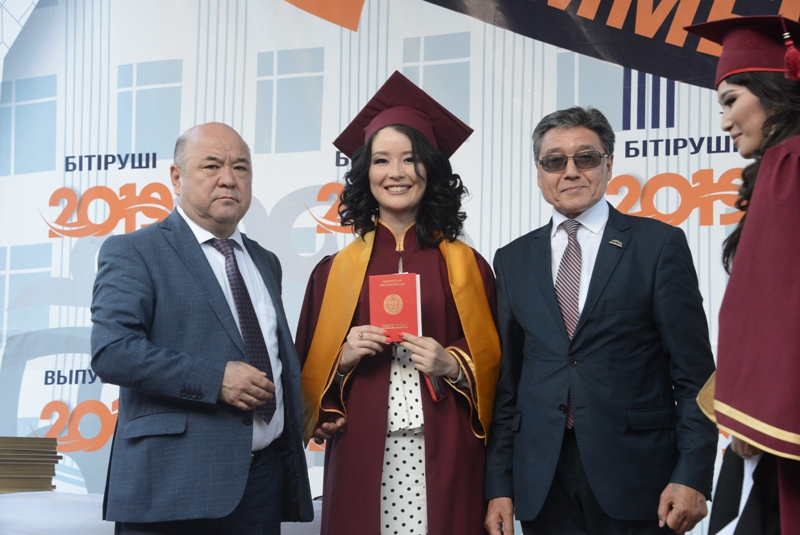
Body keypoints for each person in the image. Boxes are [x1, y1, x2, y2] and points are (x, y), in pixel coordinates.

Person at [484, 106, 718, 535]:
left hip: (639, 477)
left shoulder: (658, 245)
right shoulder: (512, 259)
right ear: (539, 173)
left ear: (608, 164)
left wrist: (693, 474)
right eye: (555, 161)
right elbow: (508, 385)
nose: (570, 171)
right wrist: (499, 485)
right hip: (541, 480)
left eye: (586, 158)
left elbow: (695, 377)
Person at [296, 71, 501, 535]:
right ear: (365, 174)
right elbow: (305, 381)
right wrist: (342, 358)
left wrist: (453, 364)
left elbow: (500, 368)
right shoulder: (334, 272)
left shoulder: (469, 267)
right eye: (381, 160)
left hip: (450, 450)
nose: (396, 172)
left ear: (431, 169)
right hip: (362, 449)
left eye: (411, 159)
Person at [91, 122, 313, 534]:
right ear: (177, 178)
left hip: (261, 484)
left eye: (240, 167)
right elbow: (113, 351)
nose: (228, 178)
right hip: (172, 486)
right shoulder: (134, 251)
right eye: (212, 165)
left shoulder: (266, 262)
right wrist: (216, 379)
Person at [686, 15, 800, 534]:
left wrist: (755, 410)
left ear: (776, 89)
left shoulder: (790, 164)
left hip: (781, 418)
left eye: (731, 100)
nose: (725, 121)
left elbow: (777, 306)